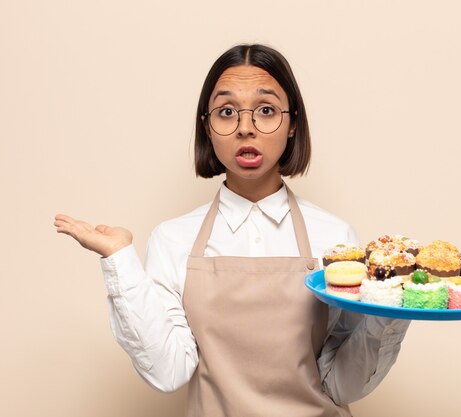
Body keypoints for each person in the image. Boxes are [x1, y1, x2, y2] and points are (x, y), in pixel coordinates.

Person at [54, 44, 410, 417]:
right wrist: (119, 259)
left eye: (267, 111)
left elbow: (342, 384)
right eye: (227, 112)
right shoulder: (173, 239)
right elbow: (167, 371)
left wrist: (392, 307)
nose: (245, 128)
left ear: (292, 125)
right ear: (207, 127)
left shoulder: (334, 237)